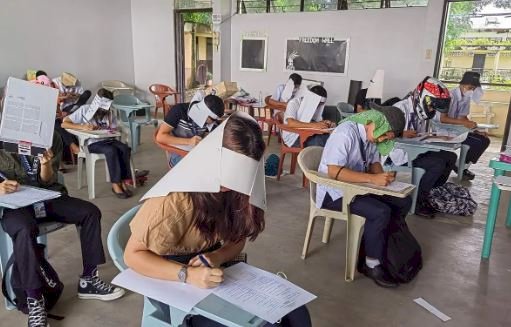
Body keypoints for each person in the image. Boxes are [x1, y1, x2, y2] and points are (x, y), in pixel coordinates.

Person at [125, 112, 312, 326]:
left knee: (295, 312)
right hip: (173, 280)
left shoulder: (237, 192)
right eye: (227, 176)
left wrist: (218, 256)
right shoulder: (175, 199)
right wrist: (187, 274)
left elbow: (237, 240)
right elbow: (132, 256)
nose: (229, 186)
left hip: (212, 272)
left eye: (239, 179)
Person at [0, 134, 125, 327]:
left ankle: (89, 280)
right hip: (12, 205)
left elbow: (47, 180)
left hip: (46, 197)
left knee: (89, 212)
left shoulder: (51, 137)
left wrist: (45, 164)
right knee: (25, 228)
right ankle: (35, 300)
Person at [317, 106, 411, 288]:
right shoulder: (345, 134)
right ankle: (372, 264)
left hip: (357, 187)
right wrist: (372, 178)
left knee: (402, 201)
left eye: (386, 138)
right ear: (373, 124)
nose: (382, 140)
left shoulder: (371, 135)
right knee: (380, 212)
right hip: (334, 193)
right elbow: (334, 171)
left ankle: (377, 248)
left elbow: (374, 163)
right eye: (383, 136)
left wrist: (385, 179)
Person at [385, 77, 457, 218]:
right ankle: (417, 203)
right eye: (431, 106)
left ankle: (430, 194)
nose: (431, 109)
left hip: (415, 150)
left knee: (451, 157)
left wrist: (436, 137)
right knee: (437, 164)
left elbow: (418, 135)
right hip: (399, 154)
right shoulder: (400, 109)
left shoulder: (418, 111)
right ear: (423, 97)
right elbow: (382, 134)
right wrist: (401, 133)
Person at [61, 88, 133, 198]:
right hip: (91, 143)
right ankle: (115, 184)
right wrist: (82, 127)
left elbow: (114, 128)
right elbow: (64, 124)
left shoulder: (109, 113)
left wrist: (113, 129)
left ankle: (122, 181)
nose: (104, 110)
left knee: (124, 149)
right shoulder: (85, 109)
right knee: (111, 151)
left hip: (108, 140)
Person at [437, 71, 490, 180]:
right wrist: (465, 123)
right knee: (478, 142)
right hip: (444, 130)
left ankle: (462, 165)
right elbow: (443, 119)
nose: (471, 90)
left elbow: (462, 118)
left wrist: (475, 129)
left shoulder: (465, 98)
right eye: (470, 87)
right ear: (462, 84)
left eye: (473, 88)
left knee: (484, 139)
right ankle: (459, 166)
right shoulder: (449, 96)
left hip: (457, 129)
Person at [155, 94, 225, 168]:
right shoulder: (179, 110)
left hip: (197, 151)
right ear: (203, 114)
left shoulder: (211, 121)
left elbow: (212, 136)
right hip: (178, 152)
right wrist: (189, 141)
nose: (210, 123)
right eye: (210, 120)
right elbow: (160, 137)